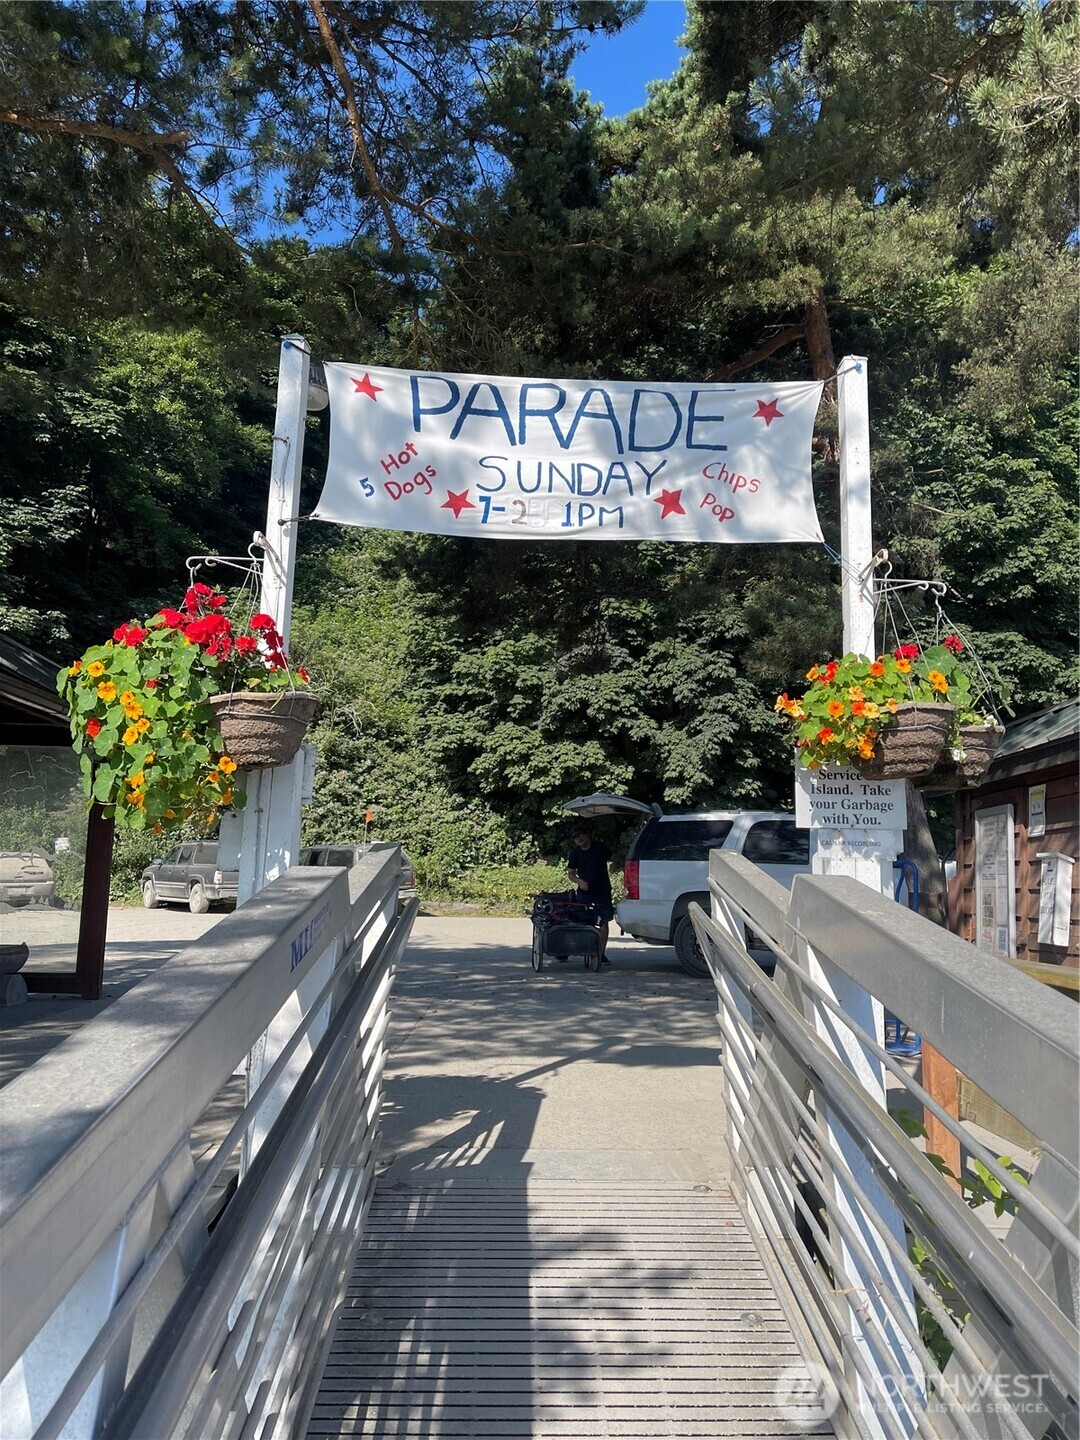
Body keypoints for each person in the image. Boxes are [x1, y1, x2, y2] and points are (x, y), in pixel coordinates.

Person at [567, 825, 615, 966]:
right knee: (584, 922)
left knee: (603, 922)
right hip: (584, 893)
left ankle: (601, 953)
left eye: (581, 835)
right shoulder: (575, 853)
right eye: (576, 837)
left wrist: (615, 865)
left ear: (587, 834)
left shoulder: (599, 847)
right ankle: (586, 950)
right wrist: (579, 881)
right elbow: (571, 874)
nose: (579, 839)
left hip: (603, 891)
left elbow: (615, 858)